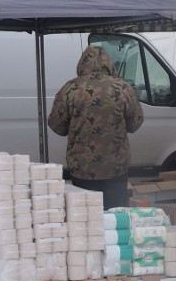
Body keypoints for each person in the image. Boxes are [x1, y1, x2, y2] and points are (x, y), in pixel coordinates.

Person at [48, 46, 143, 209]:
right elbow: (136, 123)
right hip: (116, 167)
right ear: (109, 64)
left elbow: (57, 126)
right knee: (116, 216)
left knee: (87, 220)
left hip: (82, 169)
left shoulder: (70, 88)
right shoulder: (122, 88)